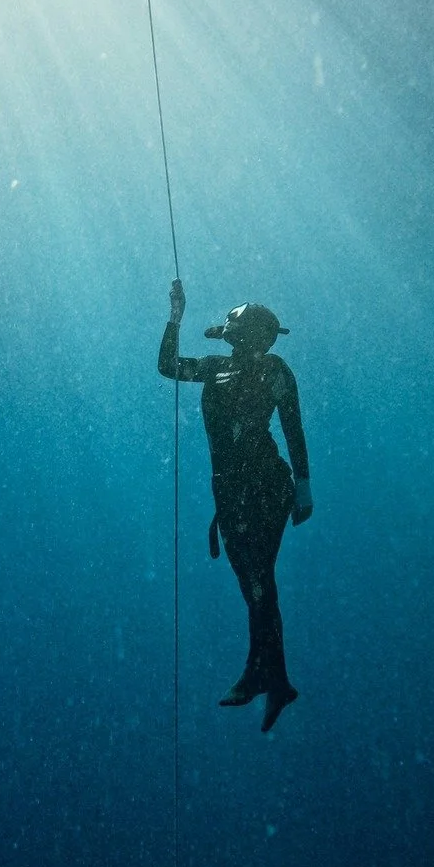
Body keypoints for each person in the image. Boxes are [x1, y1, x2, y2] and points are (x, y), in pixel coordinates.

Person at [159, 278, 313, 731]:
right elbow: (167, 365)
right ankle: (276, 679)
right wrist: (175, 316)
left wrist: (302, 487)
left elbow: (293, 429)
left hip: (266, 487)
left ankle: (257, 673)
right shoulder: (214, 368)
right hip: (230, 493)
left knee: (259, 580)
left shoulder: (275, 371)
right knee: (254, 585)